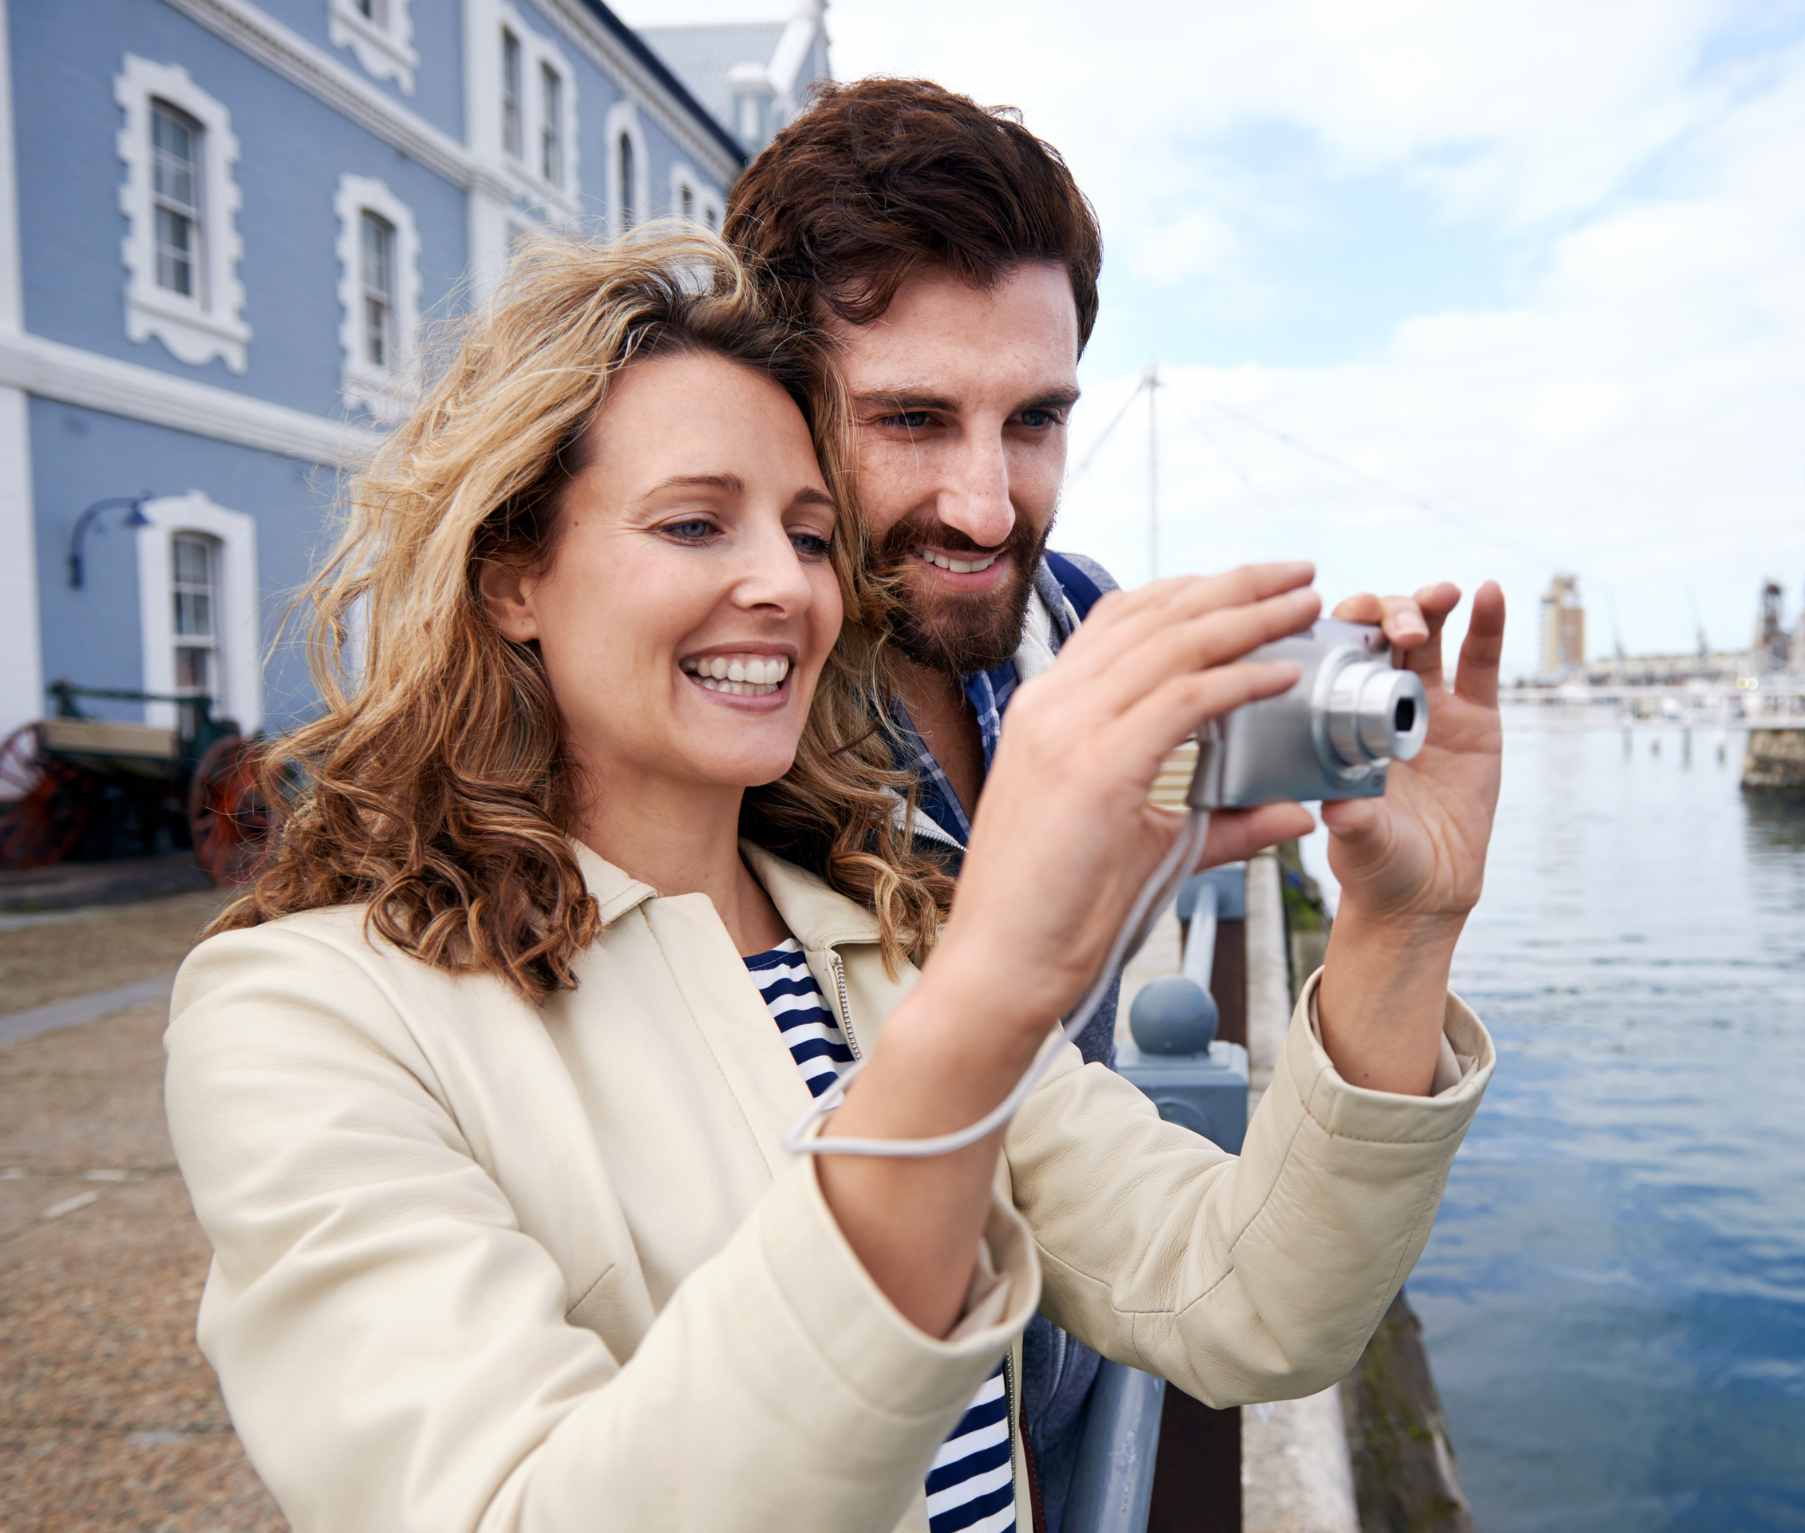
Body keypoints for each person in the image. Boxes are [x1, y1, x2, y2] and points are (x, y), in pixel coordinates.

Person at [164, 230, 1505, 1533]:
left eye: (811, 537)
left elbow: (1252, 1301)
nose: (780, 588)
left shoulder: (879, 942)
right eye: (695, 523)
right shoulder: (307, 1015)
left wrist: (1401, 929)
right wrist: (989, 992)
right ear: (514, 573)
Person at [718, 83, 1458, 1501]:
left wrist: (1398, 907)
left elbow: (1241, 1285)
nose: (988, 504)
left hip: (1061, 1347)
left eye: (1037, 419)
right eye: (913, 420)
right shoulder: (727, 719)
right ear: (778, 401)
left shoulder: (1075, 620)